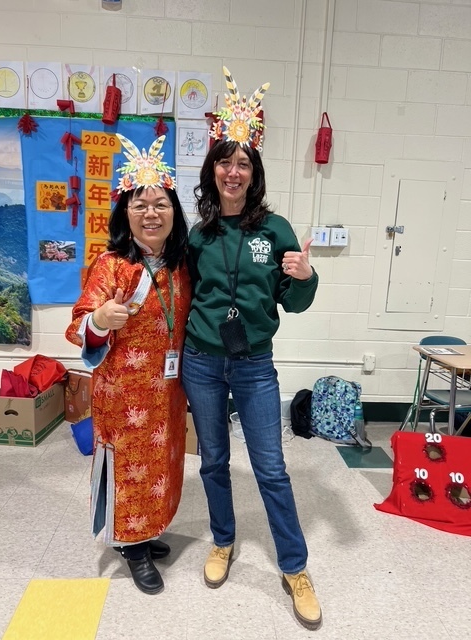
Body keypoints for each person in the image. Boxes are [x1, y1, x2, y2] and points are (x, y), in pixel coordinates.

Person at [182, 67, 322, 630]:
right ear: (212, 170)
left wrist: (306, 275)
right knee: (213, 459)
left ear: (253, 172)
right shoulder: (199, 234)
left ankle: (295, 567)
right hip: (200, 361)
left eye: (243, 163)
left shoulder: (277, 231)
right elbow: (185, 292)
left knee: (270, 467)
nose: (233, 171)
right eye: (224, 161)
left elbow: (297, 303)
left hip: (255, 364)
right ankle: (222, 540)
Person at [65, 133, 191, 595]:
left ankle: (148, 530)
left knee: (163, 465)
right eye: (140, 205)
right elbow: (80, 326)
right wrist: (100, 319)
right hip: (123, 395)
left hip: (168, 393)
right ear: (126, 214)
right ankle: (131, 547)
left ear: (174, 212)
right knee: (130, 469)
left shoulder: (180, 264)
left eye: (160, 204)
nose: (151, 213)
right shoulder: (111, 264)